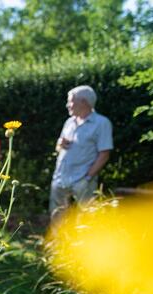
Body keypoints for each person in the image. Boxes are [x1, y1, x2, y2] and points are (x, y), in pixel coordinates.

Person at [50, 85, 113, 221]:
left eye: (70, 101)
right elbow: (59, 148)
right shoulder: (69, 122)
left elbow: (104, 154)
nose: (68, 105)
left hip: (82, 180)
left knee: (87, 216)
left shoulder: (101, 123)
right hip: (61, 177)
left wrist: (88, 177)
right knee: (57, 215)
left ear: (83, 102)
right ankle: (58, 241)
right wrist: (60, 143)